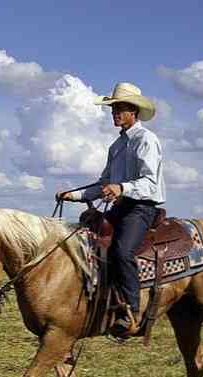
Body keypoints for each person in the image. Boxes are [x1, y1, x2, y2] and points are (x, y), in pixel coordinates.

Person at [56, 82, 166, 335]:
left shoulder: (147, 140)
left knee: (121, 251)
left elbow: (150, 183)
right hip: (120, 207)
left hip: (141, 208)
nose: (115, 113)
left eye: (120, 108)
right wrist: (72, 195)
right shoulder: (116, 147)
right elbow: (103, 184)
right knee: (85, 242)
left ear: (134, 111)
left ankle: (132, 312)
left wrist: (122, 189)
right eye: (113, 108)